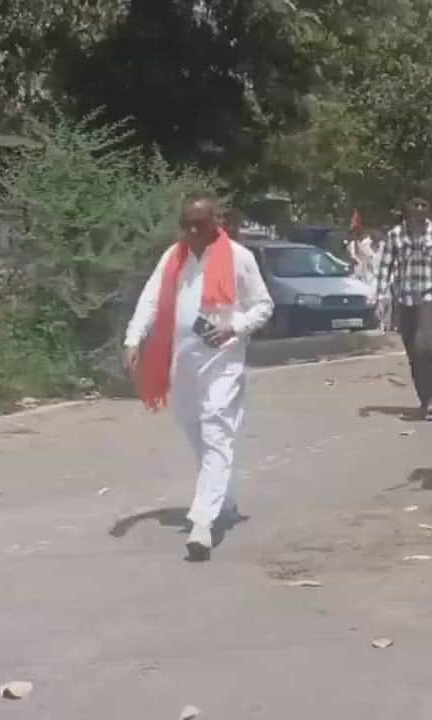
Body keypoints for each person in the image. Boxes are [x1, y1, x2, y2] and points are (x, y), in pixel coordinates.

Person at [123, 192, 274, 559]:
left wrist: (234, 327)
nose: (192, 230)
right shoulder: (173, 258)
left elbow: (263, 305)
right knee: (197, 433)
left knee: (216, 430)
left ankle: (202, 524)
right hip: (184, 365)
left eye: (200, 223)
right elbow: (150, 298)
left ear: (215, 222)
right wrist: (132, 339)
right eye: (187, 224)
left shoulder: (239, 258)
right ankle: (226, 499)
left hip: (223, 364)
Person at [376, 186, 432, 420]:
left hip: (430, 297)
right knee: (412, 353)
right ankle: (427, 399)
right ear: (407, 207)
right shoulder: (395, 235)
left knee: (424, 347)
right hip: (404, 299)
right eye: (415, 204)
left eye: (424, 205)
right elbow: (385, 267)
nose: (419, 209)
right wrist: (381, 297)